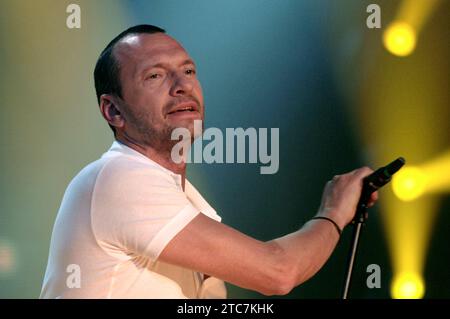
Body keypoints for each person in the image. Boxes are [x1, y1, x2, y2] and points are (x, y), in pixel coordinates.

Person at [40, 24, 378, 299]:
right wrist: (334, 211)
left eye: (188, 70)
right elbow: (278, 272)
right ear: (113, 110)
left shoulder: (180, 201)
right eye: (155, 76)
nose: (182, 85)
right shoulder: (119, 177)